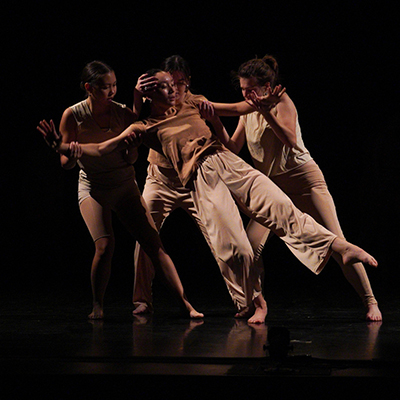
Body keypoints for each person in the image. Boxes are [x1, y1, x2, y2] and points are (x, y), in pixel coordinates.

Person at [40, 68, 379, 324]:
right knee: (236, 247)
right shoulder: (144, 126)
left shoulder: (192, 102)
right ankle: (252, 301)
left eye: (173, 85)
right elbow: (102, 147)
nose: (172, 90)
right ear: (151, 94)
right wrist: (64, 146)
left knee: (281, 208)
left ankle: (339, 247)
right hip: (200, 179)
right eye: (163, 87)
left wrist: (264, 103)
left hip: (228, 162)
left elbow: (236, 107)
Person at [211, 54, 382, 321]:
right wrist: (212, 119)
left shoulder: (281, 102)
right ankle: (257, 305)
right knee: (248, 248)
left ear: (267, 87)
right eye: (243, 90)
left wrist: (266, 112)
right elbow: (233, 144)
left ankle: (370, 301)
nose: (246, 95)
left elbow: (290, 139)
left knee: (337, 242)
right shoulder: (248, 109)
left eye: (251, 89)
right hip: (271, 187)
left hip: (304, 180)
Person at [37, 61, 203, 320]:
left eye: (115, 85)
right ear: (89, 88)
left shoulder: (123, 113)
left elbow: (130, 160)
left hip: (124, 184)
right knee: (105, 245)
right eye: (105, 87)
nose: (112, 91)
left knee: (154, 245)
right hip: (93, 186)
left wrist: (134, 148)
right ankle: (98, 305)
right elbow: (66, 164)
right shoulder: (74, 114)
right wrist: (68, 152)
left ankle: (185, 304)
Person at [131, 55, 268, 322]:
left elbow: (231, 114)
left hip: (195, 181)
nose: (174, 90)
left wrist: (254, 104)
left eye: (180, 84)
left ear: (188, 83)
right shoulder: (153, 105)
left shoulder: (196, 101)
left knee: (223, 238)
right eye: (169, 84)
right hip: (161, 180)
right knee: (144, 233)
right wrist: (137, 95)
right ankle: (142, 299)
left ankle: (248, 300)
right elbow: (131, 125)